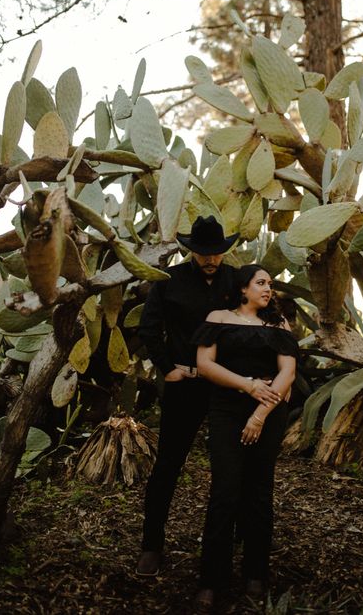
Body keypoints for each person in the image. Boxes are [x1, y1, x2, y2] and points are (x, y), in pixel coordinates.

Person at [136, 218, 280, 577]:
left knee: (238, 467)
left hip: (230, 387)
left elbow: (263, 316)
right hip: (186, 382)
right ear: (191, 250)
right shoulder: (169, 281)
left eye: (216, 252)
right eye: (203, 253)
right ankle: (151, 544)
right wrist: (167, 367)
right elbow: (149, 328)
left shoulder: (236, 280)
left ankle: (242, 539)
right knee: (168, 464)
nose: (210, 259)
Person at [192, 264, 299, 610]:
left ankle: (256, 573)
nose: (268, 288)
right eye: (261, 283)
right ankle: (211, 579)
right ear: (242, 289)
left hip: (268, 413)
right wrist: (247, 385)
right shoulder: (219, 318)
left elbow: (288, 371)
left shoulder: (278, 324)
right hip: (226, 409)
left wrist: (260, 413)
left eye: (270, 283)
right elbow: (206, 365)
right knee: (225, 490)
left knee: (259, 491)